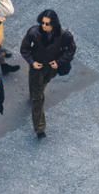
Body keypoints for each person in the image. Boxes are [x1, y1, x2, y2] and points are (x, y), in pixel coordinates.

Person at [18, 10, 75, 138]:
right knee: (38, 98)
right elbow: (24, 48)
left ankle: (34, 92)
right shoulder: (34, 32)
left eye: (47, 24)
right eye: (42, 23)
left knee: (42, 84)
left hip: (51, 68)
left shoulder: (64, 35)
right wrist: (32, 62)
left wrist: (59, 62)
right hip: (37, 67)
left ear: (54, 24)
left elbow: (71, 50)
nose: (44, 26)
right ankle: (39, 127)